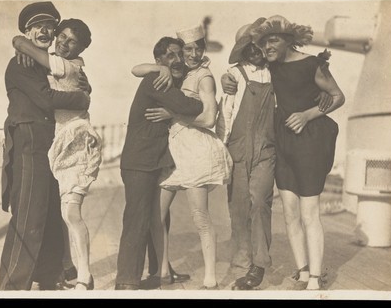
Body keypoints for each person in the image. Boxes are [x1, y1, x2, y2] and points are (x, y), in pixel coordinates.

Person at [0, 1, 91, 291]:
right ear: (27, 31)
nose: (46, 31)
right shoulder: (20, 63)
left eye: (51, 26)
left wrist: (84, 88)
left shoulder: (41, 61)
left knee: (49, 213)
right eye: (39, 26)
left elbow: (71, 81)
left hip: (50, 144)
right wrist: (83, 99)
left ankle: (49, 278)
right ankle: (12, 288)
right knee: (28, 216)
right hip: (29, 141)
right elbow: (47, 100)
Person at [134, 25, 233, 290]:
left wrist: (173, 115)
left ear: (203, 50)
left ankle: (210, 277)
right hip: (174, 151)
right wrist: (161, 68)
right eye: (187, 49)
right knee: (157, 213)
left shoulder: (204, 77)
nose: (192, 53)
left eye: (197, 48)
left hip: (195, 150)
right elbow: (136, 69)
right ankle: (163, 270)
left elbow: (210, 118)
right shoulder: (180, 73)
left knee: (200, 215)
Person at [251, 15, 345, 290]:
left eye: (273, 40)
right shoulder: (271, 65)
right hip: (284, 141)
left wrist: (308, 114)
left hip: (310, 141)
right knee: (289, 211)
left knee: (309, 212)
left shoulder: (313, 64)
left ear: (288, 41)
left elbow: (338, 96)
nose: (267, 47)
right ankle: (303, 272)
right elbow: (239, 53)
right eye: (264, 42)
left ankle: (315, 278)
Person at [115, 36, 204, 290]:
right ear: (159, 61)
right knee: (137, 219)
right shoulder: (156, 79)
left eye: (179, 55)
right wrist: (195, 105)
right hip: (139, 162)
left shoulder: (168, 79)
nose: (177, 60)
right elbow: (189, 106)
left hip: (154, 160)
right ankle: (126, 282)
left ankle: (160, 271)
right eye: (170, 56)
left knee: (158, 217)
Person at [215, 18, 276, 291]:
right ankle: (242, 260)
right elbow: (225, 113)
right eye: (248, 47)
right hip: (238, 146)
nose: (255, 52)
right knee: (238, 207)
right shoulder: (234, 75)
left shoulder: (277, 73)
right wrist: (222, 147)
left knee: (260, 202)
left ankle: (259, 264)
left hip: (266, 148)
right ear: (242, 51)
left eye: (258, 46)